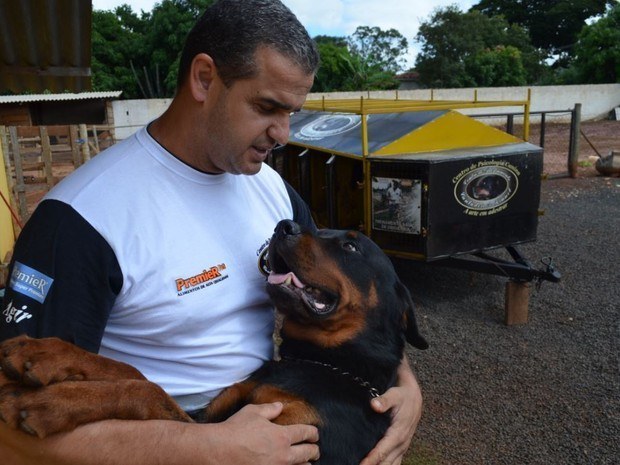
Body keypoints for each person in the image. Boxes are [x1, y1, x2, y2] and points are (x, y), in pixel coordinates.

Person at [0, 1, 423, 464]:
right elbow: (12, 429)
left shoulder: (270, 188)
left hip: (270, 403)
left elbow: (343, 299)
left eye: (292, 113)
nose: (283, 133)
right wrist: (202, 449)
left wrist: (406, 387)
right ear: (204, 79)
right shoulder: (81, 219)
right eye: (267, 107)